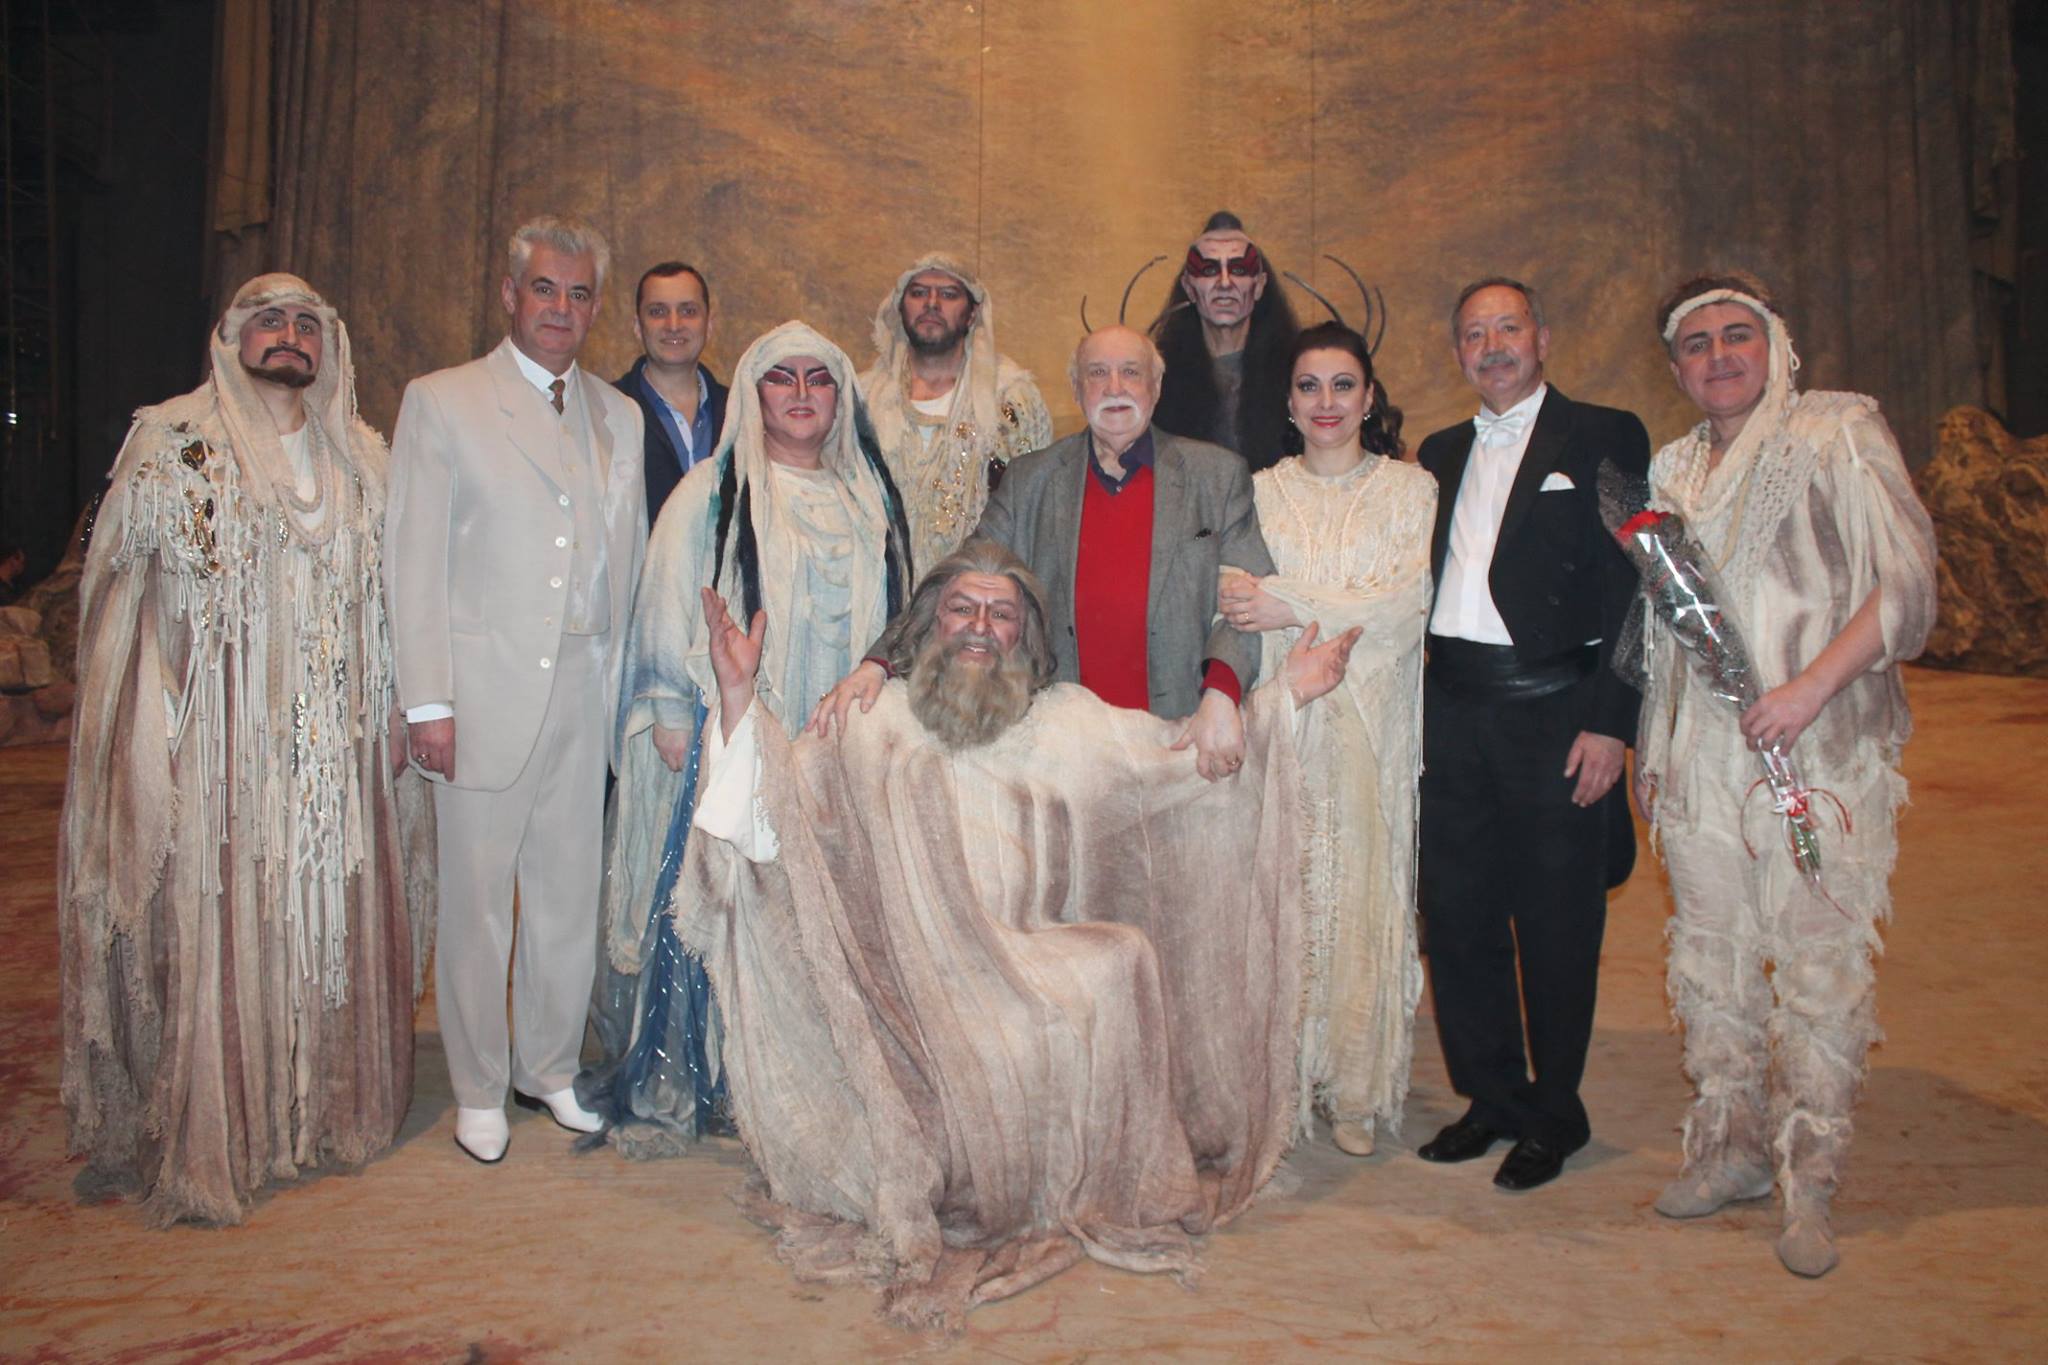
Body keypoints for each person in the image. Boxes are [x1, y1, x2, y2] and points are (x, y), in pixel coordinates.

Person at [681, 537, 1360, 1329]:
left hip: (1029, 962)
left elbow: (1178, 764)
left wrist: (1282, 697)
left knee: (1123, 959)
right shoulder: (870, 721)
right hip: (911, 991)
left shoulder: (1067, 722)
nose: (979, 626)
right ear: (930, 624)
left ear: (1025, 633)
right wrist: (738, 696)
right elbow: (780, 817)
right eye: (961, 608)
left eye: (1000, 613)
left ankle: (1082, 1172)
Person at [59, 273, 430, 1224]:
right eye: (269, 319)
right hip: (219, 741)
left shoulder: (364, 457)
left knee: (329, 925)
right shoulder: (175, 445)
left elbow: (401, 598)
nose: (289, 333)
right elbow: (124, 600)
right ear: (232, 337)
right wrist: (151, 725)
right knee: (227, 927)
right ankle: (230, 1127)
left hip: (336, 744)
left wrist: (398, 706)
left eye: (306, 321)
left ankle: (325, 1109)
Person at [1635, 273, 1937, 1277]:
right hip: (1701, 758)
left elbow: (1904, 582)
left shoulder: (1835, 431)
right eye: (1696, 344)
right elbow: (1663, 628)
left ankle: (1808, 1178)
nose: (1718, 357)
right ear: (1674, 366)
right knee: (1710, 954)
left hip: (1817, 747)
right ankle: (1726, 1148)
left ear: (1774, 344)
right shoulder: (1673, 466)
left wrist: (1808, 689)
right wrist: (1652, 742)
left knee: (1816, 962)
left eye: (1738, 335)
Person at [588, 320, 911, 1155]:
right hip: (733, 735)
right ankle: (721, 1068)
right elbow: (665, 602)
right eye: (781, 377)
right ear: (754, 393)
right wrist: (669, 711)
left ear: (841, 396)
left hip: (835, 747)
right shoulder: (710, 491)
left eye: (818, 378)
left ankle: (813, 1069)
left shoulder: (869, 494)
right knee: (733, 898)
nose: (801, 393)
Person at [384, 216, 647, 1164]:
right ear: (509, 294)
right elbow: (412, 558)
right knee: (479, 903)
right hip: (483, 692)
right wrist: (428, 702)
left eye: (579, 294)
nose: (561, 309)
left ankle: (548, 1066)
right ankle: (478, 1085)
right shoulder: (444, 401)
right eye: (545, 289)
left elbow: (629, 561)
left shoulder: (618, 415)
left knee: (568, 894)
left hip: (586, 683)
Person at [1414, 277, 1648, 1191]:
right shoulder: (1437, 452)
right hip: (1452, 709)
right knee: (1458, 916)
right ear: (1458, 352)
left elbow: (1636, 587)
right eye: (1475, 333)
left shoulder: (1605, 434)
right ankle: (1493, 1097)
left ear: (1542, 336)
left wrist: (1611, 725)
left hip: (1556, 710)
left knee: (1556, 920)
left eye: (1508, 326)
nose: (1493, 345)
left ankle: (1556, 1112)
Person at [817, 324, 1273, 782]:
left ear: (1156, 386)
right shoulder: (1031, 481)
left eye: (1131, 372)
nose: (1114, 388)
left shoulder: (1216, 476)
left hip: (1185, 737)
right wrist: (879, 663)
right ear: (1076, 389)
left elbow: (1249, 604)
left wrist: (1222, 692)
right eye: (1097, 373)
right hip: (1064, 748)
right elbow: (956, 583)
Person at [1218, 321, 1434, 1158]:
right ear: (1288, 402)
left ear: (1370, 396)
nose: (1327, 402)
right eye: (1309, 386)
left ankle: (1352, 1083)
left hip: (1374, 725)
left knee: (1363, 889)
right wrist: (1292, 605)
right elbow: (1238, 596)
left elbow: (1403, 604)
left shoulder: (1411, 490)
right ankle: (1278, 1077)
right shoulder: (1259, 492)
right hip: (1287, 721)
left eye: (1344, 385)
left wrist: (1293, 601)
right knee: (1282, 890)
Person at [858, 253, 1052, 571]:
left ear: (972, 313)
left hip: (976, 586)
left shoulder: (1011, 398)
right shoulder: (866, 397)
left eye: (948, 294)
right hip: (878, 582)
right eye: (918, 292)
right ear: (900, 307)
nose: (932, 303)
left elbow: (1034, 507)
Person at [1147, 210, 1301, 469]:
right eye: (1209, 270)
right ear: (1189, 287)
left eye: (1239, 269)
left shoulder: (1297, 372)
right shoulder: (1158, 377)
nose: (1225, 283)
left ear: (1259, 285)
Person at [617, 260, 728, 525]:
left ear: (709, 324)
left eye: (688, 311)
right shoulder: (608, 411)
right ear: (637, 326)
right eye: (658, 311)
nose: (674, 324)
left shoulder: (743, 411)